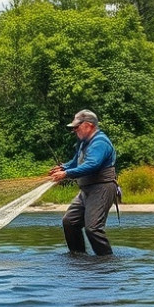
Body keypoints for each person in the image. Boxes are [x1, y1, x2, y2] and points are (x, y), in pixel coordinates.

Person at [49, 109, 118, 256]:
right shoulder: (83, 143)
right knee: (69, 222)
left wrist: (66, 174)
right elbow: (76, 162)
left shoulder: (100, 142)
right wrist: (63, 167)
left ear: (88, 125)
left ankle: (106, 261)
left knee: (93, 228)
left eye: (76, 127)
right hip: (86, 190)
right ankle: (78, 257)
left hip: (102, 188)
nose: (74, 130)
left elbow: (92, 165)